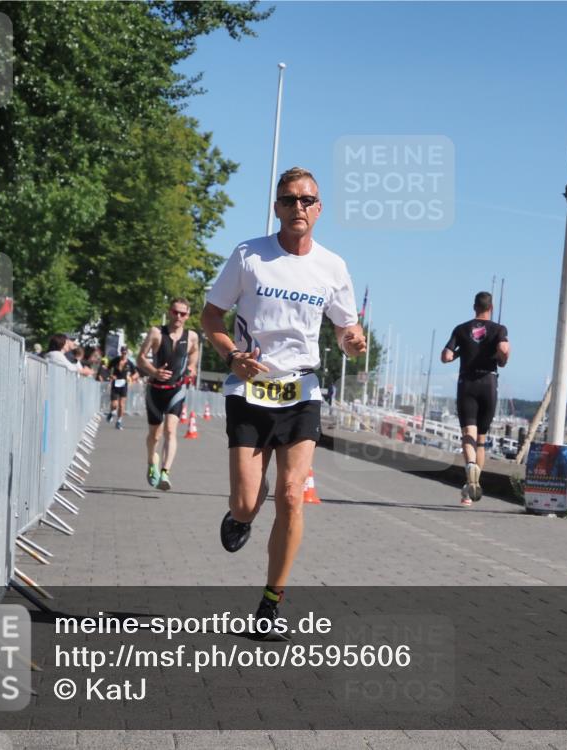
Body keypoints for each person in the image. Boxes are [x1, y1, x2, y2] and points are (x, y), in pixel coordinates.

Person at [201, 166, 365, 635]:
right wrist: (232, 355)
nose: (299, 208)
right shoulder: (250, 255)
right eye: (289, 200)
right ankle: (242, 515)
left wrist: (353, 340)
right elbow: (212, 314)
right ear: (276, 207)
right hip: (250, 390)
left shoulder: (332, 266)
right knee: (248, 503)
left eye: (307, 200)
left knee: (292, 496)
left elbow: (345, 325)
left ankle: (271, 603)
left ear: (319, 209)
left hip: (302, 392)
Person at [441, 292, 510, 506]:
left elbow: (446, 356)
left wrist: (461, 352)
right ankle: (472, 486)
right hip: (488, 383)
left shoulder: (461, 329)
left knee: (467, 435)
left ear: (474, 307)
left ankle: (469, 465)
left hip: (467, 384)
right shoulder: (499, 329)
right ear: (492, 307)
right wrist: (502, 357)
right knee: (480, 440)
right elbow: (504, 349)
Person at [137, 299, 199, 491]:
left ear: (188, 316)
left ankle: (165, 472)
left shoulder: (192, 336)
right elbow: (140, 359)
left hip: (176, 390)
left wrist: (191, 367)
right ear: (170, 312)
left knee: (171, 430)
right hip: (155, 390)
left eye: (183, 313)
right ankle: (151, 461)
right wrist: (154, 372)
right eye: (175, 312)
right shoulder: (156, 332)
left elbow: (194, 353)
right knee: (155, 435)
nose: (178, 316)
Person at [106, 345, 137, 430]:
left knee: (121, 405)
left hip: (124, 384)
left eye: (125, 353)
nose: (124, 354)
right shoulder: (115, 360)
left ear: (127, 353)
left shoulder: (130, 363)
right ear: (120, 352)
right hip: (115, 384)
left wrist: (130, 378)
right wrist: (111, 375)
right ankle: (112, 413)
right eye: (122, 352)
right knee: (114, 404)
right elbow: (107, 369)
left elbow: (136, 374)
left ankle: (119, 422)